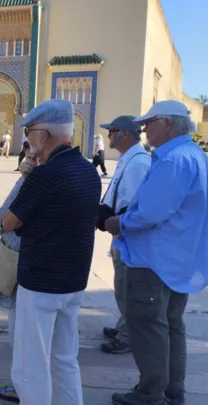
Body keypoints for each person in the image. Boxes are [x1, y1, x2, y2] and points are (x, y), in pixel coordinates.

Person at [105, 100, 208, 405]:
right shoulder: (194, 155)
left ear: (167, 124)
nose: (144, 129)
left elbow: (150, 212)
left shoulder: (174, 160)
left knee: (149, 327)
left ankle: (150, 392)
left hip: (154, 260)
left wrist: (118, 223)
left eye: (149, 123)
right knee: (171, 325)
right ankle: (172, 389)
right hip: (176, 259)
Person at [1, 99, 101, 405]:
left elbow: (7, 221)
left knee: (31, 366)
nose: (28, 139)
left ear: (44, 135)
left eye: (30, 132)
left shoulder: (44, 176)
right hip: (73, 282)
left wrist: (26, 176)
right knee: (64, 360)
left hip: (41, 284)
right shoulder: (88, 172)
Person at [95, 115, 151, 355]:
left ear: (126, 134)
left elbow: (136, 203)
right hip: (120, 229)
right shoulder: (129, 159)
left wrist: (118, 222)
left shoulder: (138, 162)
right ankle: (124, 325)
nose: (109, 136)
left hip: (128, 234)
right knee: (122, 283)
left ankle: (129, 335)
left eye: (113, 131)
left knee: (128, 286)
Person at [0, 150, 38, 403]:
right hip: (52, 270)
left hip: (23, 263)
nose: (27, 155)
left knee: (21, 329)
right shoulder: (67, 175)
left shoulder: (31, 181)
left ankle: (23, 387)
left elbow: (5, 218)